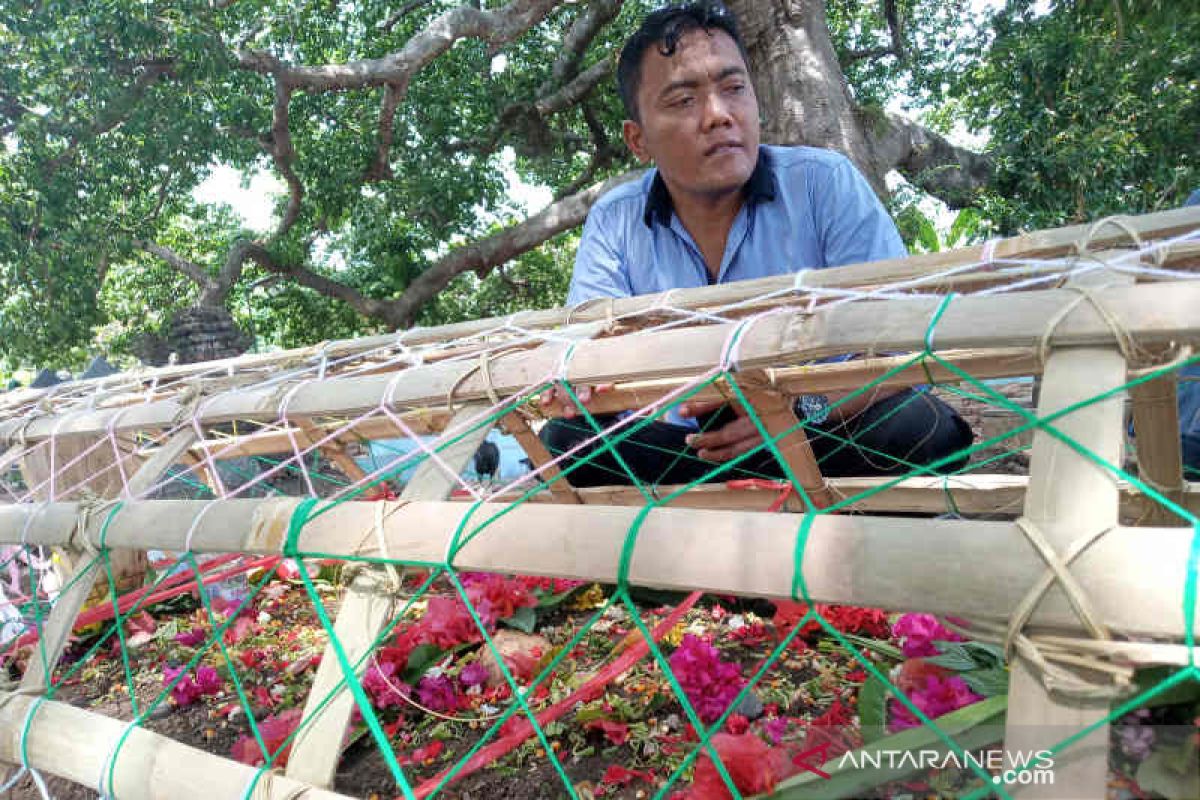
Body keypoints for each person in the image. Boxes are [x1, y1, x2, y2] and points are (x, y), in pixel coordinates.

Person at [539, 1, 972, 488]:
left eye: (733, 88)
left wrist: (794, 411)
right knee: (564, 440)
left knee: (924, 426)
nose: (718, 116)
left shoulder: (824, 183)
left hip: (818, 434)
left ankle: (720, 526)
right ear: (638, 140)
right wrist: (583, 379)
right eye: (683, 101)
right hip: (684, 451)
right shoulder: (615, 219)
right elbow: (589, 349)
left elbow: (901, 350)